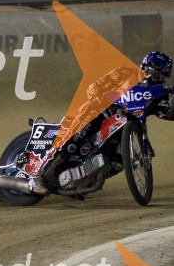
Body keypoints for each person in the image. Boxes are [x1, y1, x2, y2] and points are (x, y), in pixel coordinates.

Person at [29, 52, 174, 195]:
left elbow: (167, 113)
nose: (155, 79)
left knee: (118, 162)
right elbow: (95, 87)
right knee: (73, 140)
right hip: (101, 113)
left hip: (127, 127)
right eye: (154, 73)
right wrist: (101, 93)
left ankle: (83, 179)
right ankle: (37, 175)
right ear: (144, 67)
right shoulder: (125, 73)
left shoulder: (158, 93)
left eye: (161, 77)